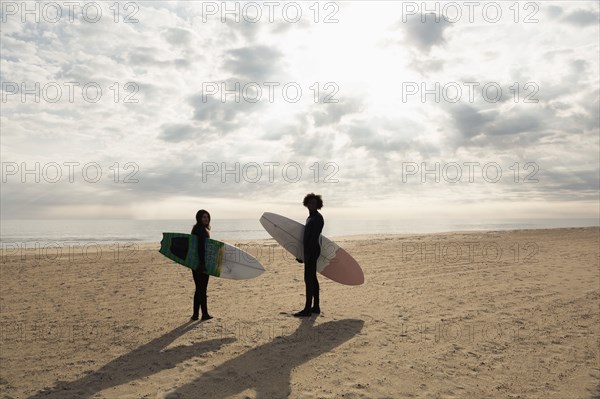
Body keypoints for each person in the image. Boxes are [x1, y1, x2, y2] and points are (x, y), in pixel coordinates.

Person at [294, 193, 324, 317]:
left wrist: (305, 255)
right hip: (309, 251)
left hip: (312, 251)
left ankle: (307, 309)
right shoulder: (310, 217)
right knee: (312, 278)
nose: (312, 205)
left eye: (314, 203)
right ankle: (315, 307)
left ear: (318, 205)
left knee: (308, 279)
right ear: (306, 203)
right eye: (310, 202)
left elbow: (313, 238)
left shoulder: (317, 218)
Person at [191, 209, 213, 321]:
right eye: (204, 217)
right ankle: (204, 314)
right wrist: (202, 264)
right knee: (202, 290)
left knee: (199, 289)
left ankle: (195, 315)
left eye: (207, 217)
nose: (206, 219)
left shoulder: (196, 229)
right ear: (199, 218)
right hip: (201, 265)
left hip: (196, 264)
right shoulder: (201, 230)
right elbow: (200, 249)